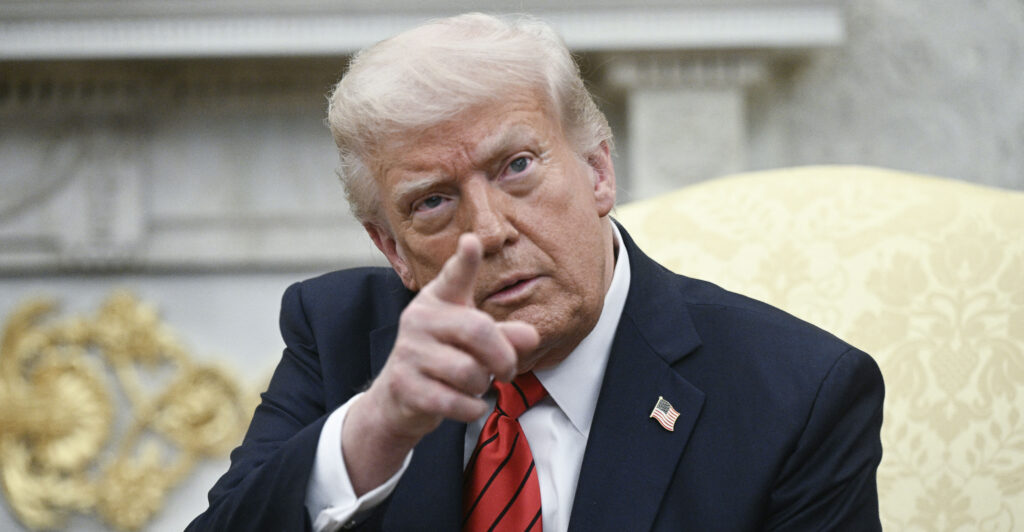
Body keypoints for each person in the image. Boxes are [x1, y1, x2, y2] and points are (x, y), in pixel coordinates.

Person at [189, 12, 884, 532]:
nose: (488, 231)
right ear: (393, 249)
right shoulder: (340, 337)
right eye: (432, 201)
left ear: (597, 171)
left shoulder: (797, 396)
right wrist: (380, 427)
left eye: (516, 166)